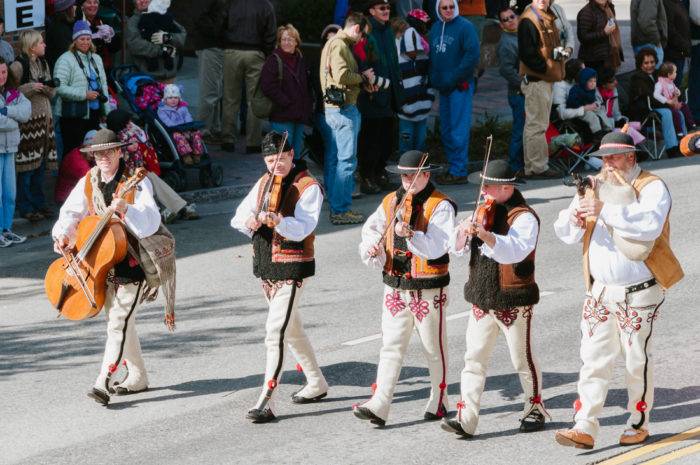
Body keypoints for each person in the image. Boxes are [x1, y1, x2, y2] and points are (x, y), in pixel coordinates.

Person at [553, 131, 683, 449]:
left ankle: (638, 421)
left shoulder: (651, 186)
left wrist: (603, 211)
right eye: (603, 158)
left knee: (636, 359)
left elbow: (649, 225)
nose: (607, 164)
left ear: (631, 157)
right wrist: (573, 216)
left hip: (639, 290)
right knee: (593, 359)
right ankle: (584, 424)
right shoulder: (594, 185)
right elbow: (566, 234)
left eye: (613, 158)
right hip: (599, 290)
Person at [51, 128, 176, 406]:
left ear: (120, 152)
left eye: (109, 151)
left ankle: (102, 380)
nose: (103, 157)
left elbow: (151, 221)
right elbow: (71, 214)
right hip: (101, 262)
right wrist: (63, 234)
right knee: (118, 322)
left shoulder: (136, 182)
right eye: (98, 153)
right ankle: (139, 376)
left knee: (118, 322)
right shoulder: (89, 180)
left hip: (132, 262)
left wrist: (126, 209)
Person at [441, 159, 546, 437]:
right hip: (482, 296)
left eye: (488, 185)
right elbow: (457, 249)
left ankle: (534, 407)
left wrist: (486, 236)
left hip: (513, 298)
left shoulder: (524, 216)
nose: (483, 190)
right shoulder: (482, 210)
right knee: (473, 358)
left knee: (521, 359)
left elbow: (515, 251)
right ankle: (466, 417)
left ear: (506, 187)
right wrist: (463, 232)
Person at [230, 131, 329, 424]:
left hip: (292, 266)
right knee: (291, 328)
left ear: (292, 154)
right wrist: (250, 221)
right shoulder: (264, 182)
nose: (277, 165)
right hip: (266, 265)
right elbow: (238, 216)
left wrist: (279, 221)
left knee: (275, 331)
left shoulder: (308, 186)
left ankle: (266, 399)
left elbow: (305, 227)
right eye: (271, 160)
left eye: (282, 158)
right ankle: (317, 382)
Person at [355, 150, 455, 426]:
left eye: (412, 175)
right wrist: (373, 245)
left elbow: (438, 246)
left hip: (428, 286)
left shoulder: (441, 205)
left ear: (426, 175)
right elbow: (373, 227)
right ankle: (380, 403)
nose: (407, 180)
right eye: (403, 175)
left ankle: (440, 398)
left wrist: (411, 234)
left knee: (433, 347)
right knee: (390, 345)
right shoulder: (391, 200)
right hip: (395, 283)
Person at [320, 12, 375, 225]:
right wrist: (363, 78)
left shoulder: (334, 43)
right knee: (346, 162)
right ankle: (341, 210)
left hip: (335, 109)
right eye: (363, 35)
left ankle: (337, 207)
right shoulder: (341, 45)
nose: (362, 40)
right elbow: (342, 75)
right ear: (356, 29)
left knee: (336, 160)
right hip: (343, 110)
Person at [105, 108, 198, 223]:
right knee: (146, 180)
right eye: (128, 123)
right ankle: (174, 211)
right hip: (121, 181)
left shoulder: (128, 136)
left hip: (133, 175)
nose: (131, 125)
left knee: (149, 177)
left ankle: (179, 208)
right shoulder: (117, 141)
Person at [429, 0, 480, 185]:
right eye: (444, 7)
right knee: (446, 129)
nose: (449, 10)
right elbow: (432, 57)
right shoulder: (435, 27)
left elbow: (472, 55)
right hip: (444, 87)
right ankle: (453, 167)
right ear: (438, 9)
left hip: (460, 86)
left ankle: (459, 170)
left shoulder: (466, 27)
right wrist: (435, 78)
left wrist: (454, 77)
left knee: (458, 129)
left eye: (452, 6)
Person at [11, 30, 59, 223]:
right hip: (27, 126)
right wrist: (31, 87)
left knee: (40, 168)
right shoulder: (18, 65)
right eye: (41, 43)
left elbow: (52, 93)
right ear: (32, 46)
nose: (44, 45)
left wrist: (47, 87)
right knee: (26, 169)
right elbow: (10, 93)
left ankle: (39, 203)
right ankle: (25, 206)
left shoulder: (43, 63)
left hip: (44, 123)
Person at [356, 0, 403, 194]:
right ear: (371, 10)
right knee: (371, 138)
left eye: (388, 8)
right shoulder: (366, 31)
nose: (386, 11)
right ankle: (367, 176)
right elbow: (361, 59)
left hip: (390, 93)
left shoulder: (388, 30)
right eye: (382, 8)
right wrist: (367, 83)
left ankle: (380, 173)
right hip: (373, 94)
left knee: (387, 137)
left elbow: (393, 61)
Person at [220, 0, 276, 154]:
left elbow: (221, 24)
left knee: (230, 98)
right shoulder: (265, 5)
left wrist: (226, 43)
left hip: (232, 51)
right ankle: (253, 142)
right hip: (255, 52)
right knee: (254, 99)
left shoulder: (230, 4)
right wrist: (266, 52)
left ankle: (227, 139)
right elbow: (271, 33)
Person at [518, 0, 565, 179]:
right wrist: (547, 69)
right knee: (536, 125)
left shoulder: (545, 16)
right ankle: (537, 167)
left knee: (535, 125)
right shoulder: (529, 19)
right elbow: (527, 54)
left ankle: (532, 166)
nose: (542, 0)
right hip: (537, 80)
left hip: (543, 79)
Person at [54, 20, 110, 155]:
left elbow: (104, 85)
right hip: (73, 116)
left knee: (93, 153)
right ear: (74, 40)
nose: (85, 42)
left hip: (94, 113)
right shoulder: (65, 59)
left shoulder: (96, 58)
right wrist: (84, 94)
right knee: (74, 153)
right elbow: (59, 88)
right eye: (81, 39)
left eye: (88, 39)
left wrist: (105, 111)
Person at [260, 24, 313, 161]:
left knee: (295, 158)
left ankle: (292, 182)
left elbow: (306, 86)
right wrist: (286, 102)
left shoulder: (301, 59)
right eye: (283, 39)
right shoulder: (273, 60)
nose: (286, 42)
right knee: (281, 158)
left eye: (290, 39)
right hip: (282, 116)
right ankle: (278, 183)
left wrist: (307, 107)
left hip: (299, 116)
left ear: (296, 42)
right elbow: (267, 86)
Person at [0, 58, 32, 248]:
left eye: (4, 72)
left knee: (10, 193)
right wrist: (14, 120)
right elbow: (9, 122)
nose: (2, 76)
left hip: (10, 148)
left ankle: (6, 229)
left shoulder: (12, 93)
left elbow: (26, 112)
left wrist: (6, 110)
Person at [628, 49, 682, 157]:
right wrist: (669, 103)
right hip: (646, 109)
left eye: (652, 62)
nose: (650, 65)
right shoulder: (637, 77)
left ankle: (684, 143)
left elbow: (670, 88)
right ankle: (672, 148)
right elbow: (649, 97)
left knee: (680, 112)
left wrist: (675, 98)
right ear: (640, 64)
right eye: (646, 63)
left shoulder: (659, 74)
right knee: (667, 113)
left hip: (662, 105)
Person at [395, 10, 435, 156]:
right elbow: (412, 56)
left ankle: (412, 170)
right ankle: (411, 170)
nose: (426, 27)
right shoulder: (410, 35)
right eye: (424, 23)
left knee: (415, 141)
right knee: (413, 142)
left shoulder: (419, 40)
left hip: (416, 100)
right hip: (412, 100)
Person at [125, 0, 186, 83]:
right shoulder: (133, 22)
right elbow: (135, 45)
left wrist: (168, 37)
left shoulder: (164, 15)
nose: (142, 1)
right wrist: (163, 50)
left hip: (170, 76)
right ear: (134, 2)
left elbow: (182, 36)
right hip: (147, 78)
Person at [192, 0, 226, 144]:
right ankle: (203, 131)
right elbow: (198, 16)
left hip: (216, 45)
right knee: (210, 91)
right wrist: (218, 31)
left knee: (216, 90)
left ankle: (213, 128)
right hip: (210, 45)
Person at [497, 7, 525, 175]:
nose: (510, 20)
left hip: (528, 91)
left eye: (512, 17)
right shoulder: (506, 43)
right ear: (502, 25)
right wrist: (524, 85)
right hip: (518, 93)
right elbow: (506, 70)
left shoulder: (522, 35)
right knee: (519, 131)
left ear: (518, 17)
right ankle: (514, 167)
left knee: (528, 129)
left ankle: (523, 164)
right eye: (505, 19)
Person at [156, 84, 205, 165]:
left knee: (196, 133)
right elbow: (168, 123)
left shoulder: (183, 107)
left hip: (186, 129)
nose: (173, 100)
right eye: (170, 98)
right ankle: (186, 155)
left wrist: (188, 129)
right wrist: (182, 131)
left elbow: (188, 118)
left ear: (179, 98)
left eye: (176, 98)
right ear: (165, 99)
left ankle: (197, 154)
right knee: (178, 136)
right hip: (173, 131)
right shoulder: (162, 110)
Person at [576, 0, 623, 74]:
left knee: (609, 84)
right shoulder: (586, 12)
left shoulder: (609, 8)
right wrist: (604, 33)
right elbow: (583, 38)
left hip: (608, 57)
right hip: (593, 61)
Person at [78, 0, 120, 73]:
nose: (93, 5)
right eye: (89, 2)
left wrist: (111, 37)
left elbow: (115, 49)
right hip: (86, 70)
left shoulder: (101, 20)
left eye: (95, 2)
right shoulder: (77, 24)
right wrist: (96, 37)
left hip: (105, 68)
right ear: (82, 7)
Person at [54, 129, 95, 205]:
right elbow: (93, 180)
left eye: (95, 146)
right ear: (84, 145)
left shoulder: (82, 153)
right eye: (90, 145)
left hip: (74, 195)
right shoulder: (77, 161)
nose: (92, 149)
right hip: (66, 200)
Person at [654, 62, 696, 133]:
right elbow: (656, 95)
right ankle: (678, 131)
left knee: (684, 106)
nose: (676, 73)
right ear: (669, 75)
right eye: (675, 72)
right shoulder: (660, 84)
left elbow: (676, 89)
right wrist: (667, 101)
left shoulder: (671, 82)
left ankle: (691, 124)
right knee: (676, 114)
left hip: (674, 103)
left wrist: (678, 92)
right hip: (667, 105)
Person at [630, 0, 668, 69]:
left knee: (644, 77)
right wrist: (657, 39)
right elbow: (646, 22)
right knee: (651, 77)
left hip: (645, 42)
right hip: (650, 44)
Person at [662, 0, 691, 88]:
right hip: (672, 53)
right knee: (672, 86)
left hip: (680, 52)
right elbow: (669, 30)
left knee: (677, 84)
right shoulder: (667, 4)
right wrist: (684, 45)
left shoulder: (679, 3)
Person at [567, 68, 604, 134]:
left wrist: (595, 105)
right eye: (590, 81)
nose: (593, 83)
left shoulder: (591, 90)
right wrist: (584, 107)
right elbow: (572, 103)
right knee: (592, 117)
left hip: (588, 107)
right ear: (583, 81)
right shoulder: (576, 90)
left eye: (594, 81)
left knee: (601, 113)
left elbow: (593, 100)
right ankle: (597, 133)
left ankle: (608, 128)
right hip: (577, 110)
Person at [46, 0, 78, 71]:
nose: (75, 8)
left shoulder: (64, 25)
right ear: (67, 10)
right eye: (72, 6)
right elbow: (69, 52)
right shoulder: (59, 30)